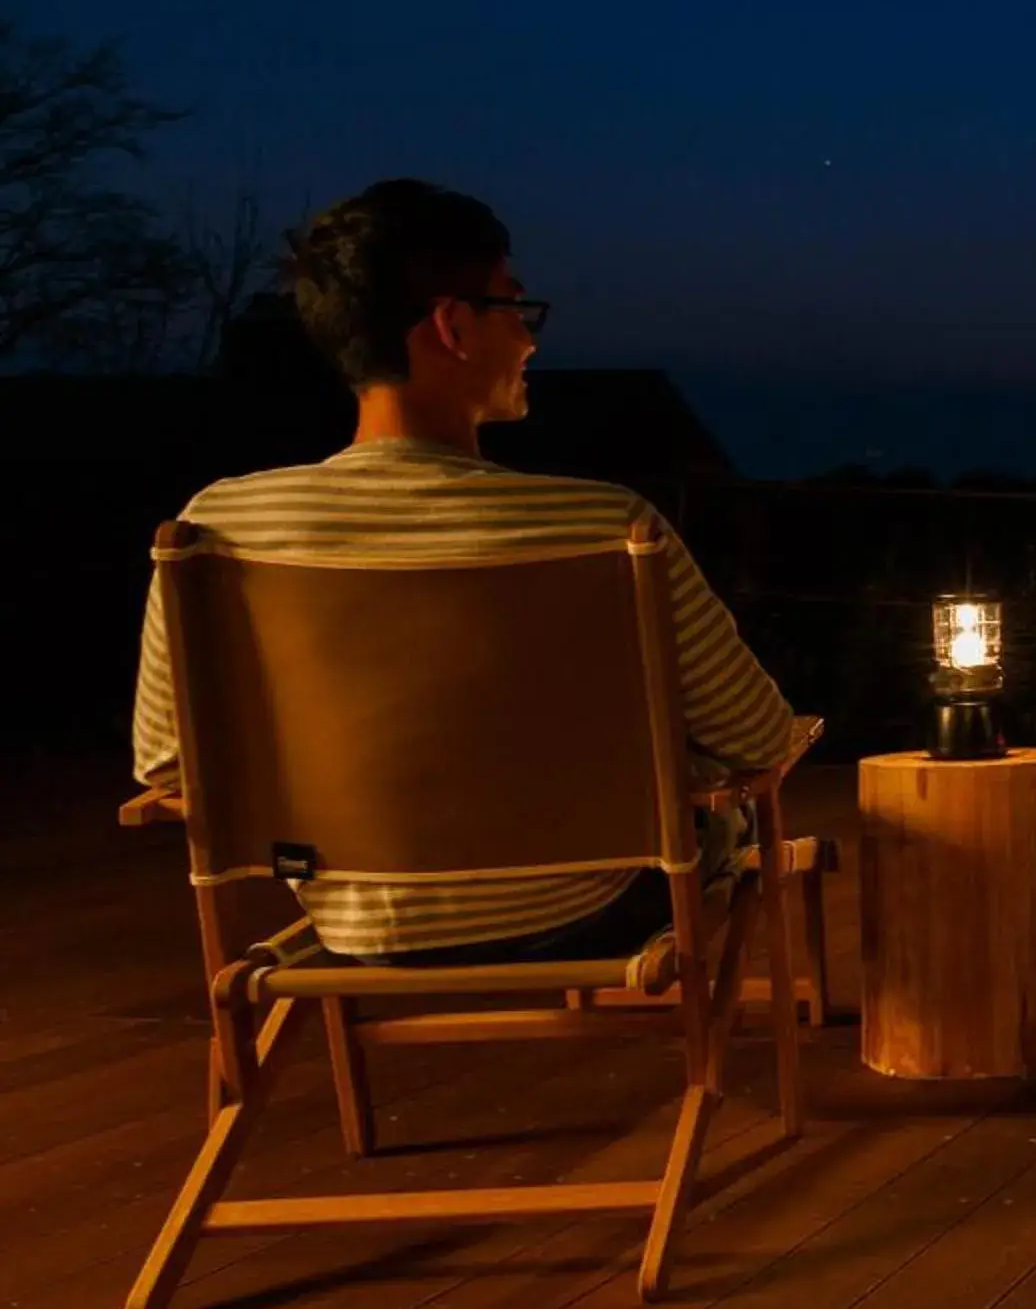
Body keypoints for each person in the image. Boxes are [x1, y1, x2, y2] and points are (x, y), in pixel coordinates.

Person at [131, 178, 799, 962]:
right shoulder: (605, 528)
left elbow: (166, 760)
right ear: (452, 325)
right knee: (729, 817)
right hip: (585, 910)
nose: (530, 342)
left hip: (359, 927)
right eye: (516, 310)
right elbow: (758, 735)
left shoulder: (218, 529)